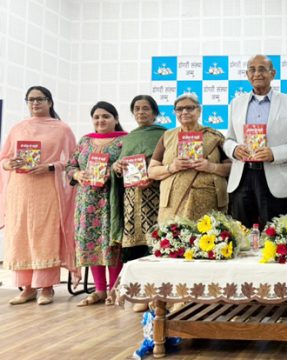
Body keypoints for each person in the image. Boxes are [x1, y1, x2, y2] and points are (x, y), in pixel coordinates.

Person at [0, 86, 78, 306]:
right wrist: (9, 163)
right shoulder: (18, 128)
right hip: (20, 189)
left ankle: (46, 287)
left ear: (50, 102)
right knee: (21, 234)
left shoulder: (62, 129)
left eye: (40, 99)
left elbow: (73, 161)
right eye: (30, 100)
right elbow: (3, 158)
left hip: (47, 189)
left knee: (44, 234)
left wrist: (51, 167)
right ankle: (26, 288)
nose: (35, 103)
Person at [224, 54, 287, 228]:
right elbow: (228, 139)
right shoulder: (236, 103)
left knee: (272, 235)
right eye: (252, 70)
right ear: (247, 75)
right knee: (240, 234)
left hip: (273, 176)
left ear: (273, 73)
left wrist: (273, 153)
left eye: (262, 69)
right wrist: (235, 149)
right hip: (242, 176)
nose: (257, 74)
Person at [67, 101, 127, 307]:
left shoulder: (124, 141)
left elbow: (132, 167)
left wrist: (114, 169)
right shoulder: (85, 140)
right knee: (91, 242)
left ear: (116, 119)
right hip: (87, 201)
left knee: (111, 243)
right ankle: (99, 290)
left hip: (112, 199)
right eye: (96, 117)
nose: (100, 120)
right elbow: (70, 165)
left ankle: (115, 289)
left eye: (106, 116)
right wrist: (76, 173)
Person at [110, 95, 166, 312]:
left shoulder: (163, 135)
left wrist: (152, 173)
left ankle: (158, 295)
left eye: (146, 109)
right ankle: (140, 294)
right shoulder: (129, 138)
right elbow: (121, 162)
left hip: (155, 194)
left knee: (156, 243)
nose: (141, 113)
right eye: (137, 109)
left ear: (155, 112)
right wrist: (117, 167)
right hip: (132, 199)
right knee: (135, 245)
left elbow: (166, 162)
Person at [148, 93, 231, 223]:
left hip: (209, 203)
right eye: (179, 109)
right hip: (173, 205)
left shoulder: (215, 136)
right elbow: (151, 171)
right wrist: (171, 167)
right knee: (174, 241)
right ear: (175, 112)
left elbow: (231, 169)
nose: (184, 112)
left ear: (199, 110)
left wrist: (211, 167)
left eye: (190, 108)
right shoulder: (167, 136)